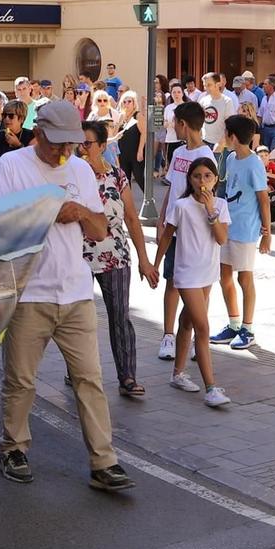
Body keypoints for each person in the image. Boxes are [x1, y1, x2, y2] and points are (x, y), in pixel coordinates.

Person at [0, 100, 135, 491]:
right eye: (57, 144)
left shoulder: (81, 169)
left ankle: (104, 462)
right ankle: (12, 448)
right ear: (38, 134)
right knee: (21, 380)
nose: (65, 152)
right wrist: (47, 211)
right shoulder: (10, 167)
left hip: (75, 290)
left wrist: (81, 212)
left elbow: (101, 229)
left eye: (71, 144)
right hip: (29, 292)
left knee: (90, 379)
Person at [81, 119, 156, 399]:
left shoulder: (117, 175)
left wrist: (144, 260)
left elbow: (133, 219)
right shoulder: (73, 175)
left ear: (102, 146)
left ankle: (127, 376)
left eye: (87, 143)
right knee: (79, 319)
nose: (81, 148)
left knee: (120, 317)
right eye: (79, 142)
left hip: (115, 255)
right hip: (79, 256)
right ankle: (78, 370)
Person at [155, 156, 231, 408]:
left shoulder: (220, 204)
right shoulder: (181, 205)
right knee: (203, 327)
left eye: (207, 176)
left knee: (187, 322)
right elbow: (166, 237)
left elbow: (221, 239)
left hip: (207, 273)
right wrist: (154, 265)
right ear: (189, 179)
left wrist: (211, 212)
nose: (202, 182)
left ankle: (177, 373)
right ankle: (211, 387)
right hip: (186, 274)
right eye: (197, 176)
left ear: (216, 179)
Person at [156, 100, 216, 362]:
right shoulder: (179, 153)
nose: (172, 128)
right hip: (173, 226)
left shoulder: (206, 156)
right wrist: (161, 216)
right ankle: (168, 335)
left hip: (195, 231)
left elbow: (210, 195)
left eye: (174, 123)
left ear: (183, 124)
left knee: (201, 287)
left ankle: (195, 336)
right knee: (172, 281)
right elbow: (172, 186)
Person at [212, 115, 272, 352]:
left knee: (244, 278)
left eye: (225, 132)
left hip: (246, 228)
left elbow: (263, 199)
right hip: (228, 225)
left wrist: (267, 232)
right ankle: (234, 324)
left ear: (233, 136)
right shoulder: (232, 158)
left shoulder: (254, 163)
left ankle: (248, 328)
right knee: (224, 276)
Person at [114, 92, 145, 186]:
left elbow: (144, 133)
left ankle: (148, 198)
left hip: (135, 151)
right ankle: (129, 200)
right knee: (125, 180)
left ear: (134, 103)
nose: (126, 104)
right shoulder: (120, 116)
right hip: (122, 152)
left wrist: (140, 151)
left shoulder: (138, 115)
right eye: (124, 102)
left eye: (129, 101)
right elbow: (115, 134)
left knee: (139, 177)